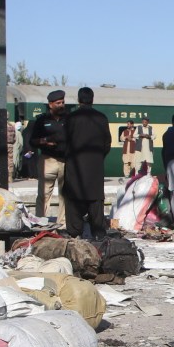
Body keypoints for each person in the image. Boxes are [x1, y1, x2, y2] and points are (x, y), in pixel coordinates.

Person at [63, 87, 111, 239]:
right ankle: (98, 233)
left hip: (74, 167)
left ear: (78, 100)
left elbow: (64, 142)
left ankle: (74, 232)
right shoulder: (101, 118)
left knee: (73, 200)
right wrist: (98, 158)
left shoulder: (71, 118)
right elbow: (107, 143)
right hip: (95, 168)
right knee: (96, 201)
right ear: (92, 99)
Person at [26, 90, 67, 221]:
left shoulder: (69, 119)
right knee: (43, 194)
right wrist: (44, 141)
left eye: (63, 102)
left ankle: (62, 224)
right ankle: (41, 222)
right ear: (50, 104)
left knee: (65, 195)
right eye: (58, 103)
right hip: (48, 160)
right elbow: (32, 140)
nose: (61, 105)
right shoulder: (42, 120)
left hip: (65, 161)